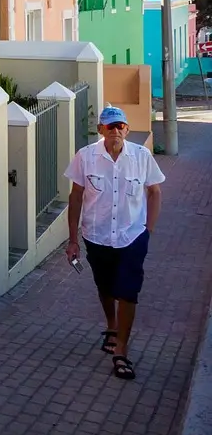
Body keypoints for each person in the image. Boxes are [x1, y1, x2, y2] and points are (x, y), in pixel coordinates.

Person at [64, 105, 164, 380]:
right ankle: (111, 324)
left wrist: (148, 231)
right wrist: (73, 239)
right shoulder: (85, 157)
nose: (116, 131)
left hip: (132, 236)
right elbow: (75, 198)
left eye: (121, 126)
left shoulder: (141, 157)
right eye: (110, 126)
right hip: (96, 236)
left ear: (127, 129)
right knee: (105, 287)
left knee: (129, 292)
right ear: (100, 130)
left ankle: (121, 350)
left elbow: (155, 192)